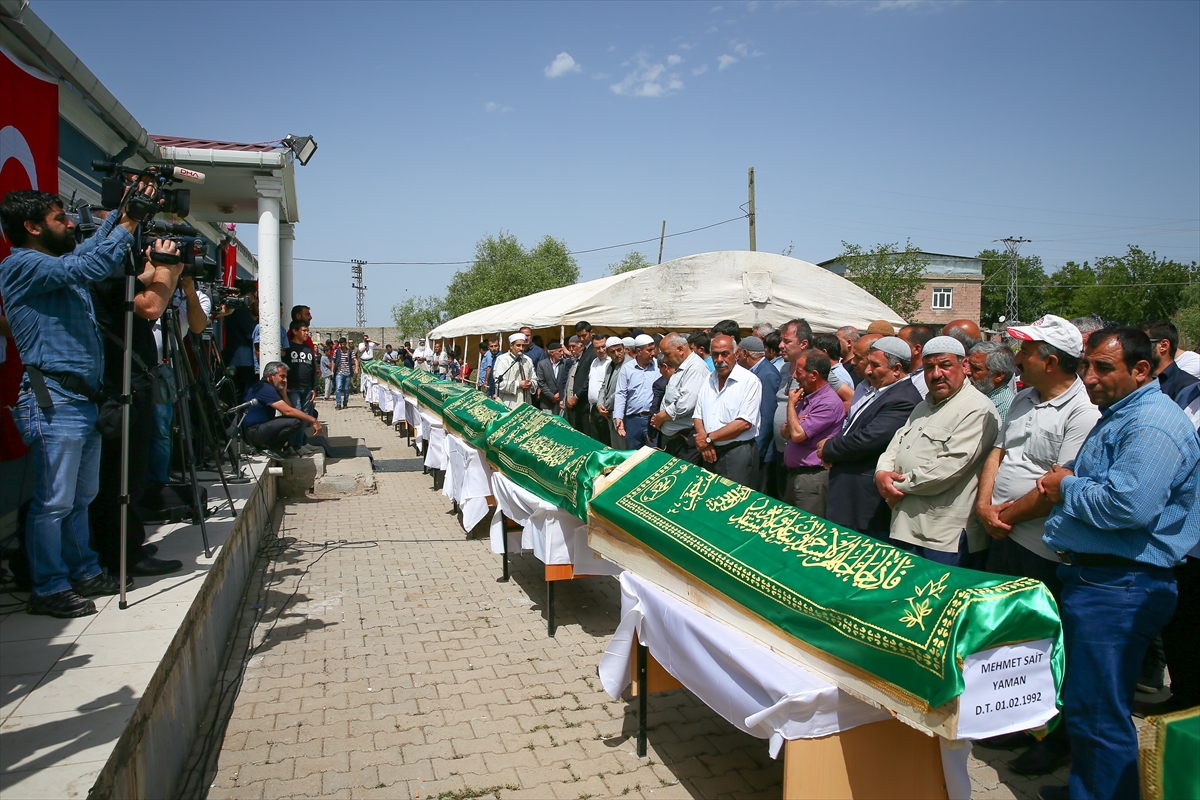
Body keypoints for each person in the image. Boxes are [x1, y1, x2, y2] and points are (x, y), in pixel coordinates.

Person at [1035, 326, 1199, 800]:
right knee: (1089, 704)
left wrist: (1065, 485)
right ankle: (1090, 789)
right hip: (1103, 580)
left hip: (1121, 585)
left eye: (1103, 367)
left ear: (1142, 369)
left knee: (1100, 711)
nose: (1088, 377)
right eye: (1086, 365)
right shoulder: (1124, 413)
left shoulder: (1150, 423)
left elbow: (1129, 506)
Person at [0, 187, 155, 617]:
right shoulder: (22, 265)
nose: (70, 223)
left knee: (82, 496)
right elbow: (89, 262)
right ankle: (48, 586)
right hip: (53, 400)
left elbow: (85, 250)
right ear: (31, 228)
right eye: (58, 218)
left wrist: (120, 216)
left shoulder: (52, 264)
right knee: (54, 501)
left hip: (80, 399)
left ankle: (83, 569)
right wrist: (126, 224)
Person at [974, 314, 1099, 776]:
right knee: (1007, 639)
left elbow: (1055, 487)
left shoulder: (1082, 413)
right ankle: (1009, 719)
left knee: (1044, 645)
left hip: (1042, 547)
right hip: (1003, 535)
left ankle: (1051, 735)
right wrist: (986, 506)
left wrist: (1001, 516)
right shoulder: (1024, 398)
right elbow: (999, 453)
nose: (1018, 357)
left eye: (1027, 351)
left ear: (1049, 360)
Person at [89, 233, 188, 581]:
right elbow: (151, 306)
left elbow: (148, 289)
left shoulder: (123, 273)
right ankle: (120, 553)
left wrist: (169, 271)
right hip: (122, 384)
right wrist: (164, 268)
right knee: (120, 473)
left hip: (136, 379)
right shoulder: (104, 271)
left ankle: (129, 541)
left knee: (133, 469)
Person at [876, 336, 1000, 567]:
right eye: (929, 367)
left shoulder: (976, 408)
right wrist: (882, 472)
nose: (936, 374)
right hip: (906, 525)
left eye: (945, 365)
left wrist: (895, 486)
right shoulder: (924, 405)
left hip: (943, 536)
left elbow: (949, 468)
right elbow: (898, 442)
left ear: (964, 366)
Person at [820, 336, 922, 539]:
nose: (867, 371)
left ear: (897, 368)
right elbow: (851, 427)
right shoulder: (879, 391)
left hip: (864, 500)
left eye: (875, 366)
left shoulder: (903, 399)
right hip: (849, 494)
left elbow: (867, 439)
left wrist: (829, 447)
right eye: (868, 364)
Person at [693, 334, 762, 488]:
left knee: (734, 503)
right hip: (709, 452)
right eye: (715, 354)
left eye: (725, 354)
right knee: (710, 499)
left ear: (736, 354)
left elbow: (744, 423)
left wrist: (709, 439)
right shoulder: (709, 379)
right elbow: (698, 416)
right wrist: (706, 443)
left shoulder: (749, 381)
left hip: (736, 453)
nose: (719, 359)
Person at [782, 349, 845, 517]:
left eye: (799, 372)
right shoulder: (807, 397)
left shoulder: (827, 403)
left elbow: (796, 434)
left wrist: (791, 405)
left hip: (812, 478)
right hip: (795, 475)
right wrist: (797, 419)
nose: (794, 375)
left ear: (814, 375)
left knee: (806, 528)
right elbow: (784, 432)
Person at [767, 319, 814, 499]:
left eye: (787, 341)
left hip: (800, 456)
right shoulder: (785, 368)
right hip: (780, 451)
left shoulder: (815, 369)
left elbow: (847, 397)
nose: (780, 346)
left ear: (803, 344)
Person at [242, 362, 324, 458]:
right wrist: (313, 420)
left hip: (258, 430)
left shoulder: (269, 387)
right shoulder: (265, 388)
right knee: (295, 422)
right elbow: (288, 411)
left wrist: (283, 394)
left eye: (286, 377)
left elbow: (289, 411)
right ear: (270, 376)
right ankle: (271, 448)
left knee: (297, 419)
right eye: (282, 376)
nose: (285, 380)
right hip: (253, 432)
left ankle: (274, 447)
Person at [651, 333, 709, 464]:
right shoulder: (682, 367)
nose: (665, 359)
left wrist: (661, 417)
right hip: (677, 440)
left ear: (680, 350)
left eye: (667, 354)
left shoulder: (695, 368)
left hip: (687, 441)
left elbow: (685, 405)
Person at [739, 336, 781, 478]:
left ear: (745, 353)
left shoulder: (767, 374)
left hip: (762, 449)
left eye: (737, 353)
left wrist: (757, 449)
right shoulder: (755, 371)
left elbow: (767, 415)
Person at [614, 334, 659, 449]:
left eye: (653, 349)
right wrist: (618, 417)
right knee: (633, 455)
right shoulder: (627, 369)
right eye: (649, 350)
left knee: (653, 454)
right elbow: (621, 394)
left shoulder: (659, 367)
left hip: (653, 420)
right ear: (639, 351)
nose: (653, 353)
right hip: (633, 420)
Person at [1142, 319, 1199, 401]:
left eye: (1142, 343)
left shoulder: (1188, 390)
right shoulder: (1137, 382)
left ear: (1164, 346)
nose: (1135, 348)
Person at [283, 320, 318, 451]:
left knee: (305, 418)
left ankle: (300, 444)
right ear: (295, 331)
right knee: (296, 416)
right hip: (293, 389)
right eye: (304, 331)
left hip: (307, 389)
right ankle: (292, 445)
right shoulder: (288, 348)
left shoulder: (308, 348)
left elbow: (312, 369)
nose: (306, 333)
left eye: (307, 331)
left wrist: (315, 388)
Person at [967, 341, 1017, 425]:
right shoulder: (982, 394)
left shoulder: (1004, 409)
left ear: (998, 375)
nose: (967, 371)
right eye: (969, 365)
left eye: (976, 368)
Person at [223, 290, 258, 400]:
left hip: (235, 357)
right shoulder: (241, 310)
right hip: (243, 360)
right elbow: (250, 332)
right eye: (254, 297)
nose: (254, 300)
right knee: (243, 392)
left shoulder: (233, 309)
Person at [598, 337, 629, 448]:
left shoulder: (629, 365)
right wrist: (599, 404)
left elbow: (621, 391)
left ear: (624, 349)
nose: (617, 354)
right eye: (613, 352)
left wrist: (606, 406)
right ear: (608, 353)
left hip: (622, 414)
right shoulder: (610, 365)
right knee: (616, 448)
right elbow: (604, 386)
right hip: (610, 414)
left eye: (619, 350)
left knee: (624, 448)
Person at [568, 321, 597, 432]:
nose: (581, 339)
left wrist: (576, 396)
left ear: (591, 333)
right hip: (580, 403)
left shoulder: (593, 351)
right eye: (579, 336)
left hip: (585, 401)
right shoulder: (585, 350)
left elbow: (589, 378)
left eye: (584, 335)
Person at [493, 332, 535, 409]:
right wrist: (518, 384)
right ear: (511, 346)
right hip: (509, 403)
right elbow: (498, 383)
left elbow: (534, 379)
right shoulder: (503, 360)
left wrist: (531, 384)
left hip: (527, 403)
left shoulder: (528, 360)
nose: (521, 348)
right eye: (518, 345)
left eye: (523, 345)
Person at [586, 335, 611, 444]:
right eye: (597, 348)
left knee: (606, 441)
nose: (601, 350)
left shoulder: (611, 363)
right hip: (593, 409)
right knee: (596, 441)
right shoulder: (594, 362)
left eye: (603, 346)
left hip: (605, 409)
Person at [897, 324, 934, 399]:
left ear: (917, 349)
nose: (896, 347)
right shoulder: (906, 373)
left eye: (900, 343)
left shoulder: (925, 380)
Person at [535, 339, 568, 415]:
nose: (562, 353)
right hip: (547, 402)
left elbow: (567, 380)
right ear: (552, 353)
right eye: (559, 351)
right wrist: (552, 396)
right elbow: (541, 382)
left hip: (561, 401)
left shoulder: (565, 363)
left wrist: (560, 393)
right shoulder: (542, 364)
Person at [332, 336, 357, 409]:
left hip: (348, 373)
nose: (342, 345)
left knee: (346, 389)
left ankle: (345, 403)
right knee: (338, 387)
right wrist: (332, 371)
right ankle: (338, 404)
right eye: (341, 343)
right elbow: (333, 361)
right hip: (339, 372)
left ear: (346, 343)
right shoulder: (337, 351)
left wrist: (356, 369)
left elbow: (355, 360)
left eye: (343, 343)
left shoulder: (350, 351)